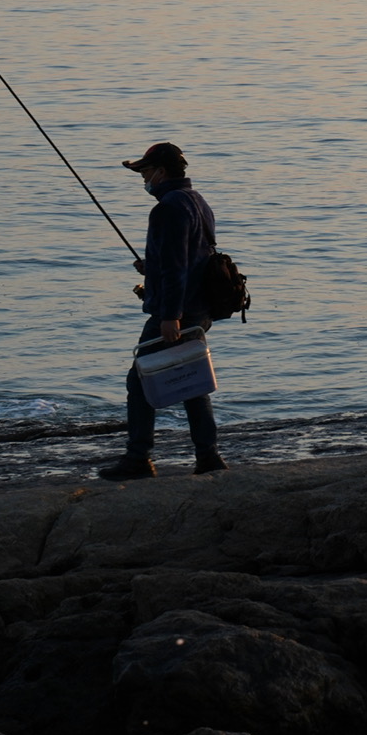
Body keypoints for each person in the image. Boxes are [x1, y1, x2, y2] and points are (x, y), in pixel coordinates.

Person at [99, 141, 226, 480]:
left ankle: (138, 459)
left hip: (177, 312)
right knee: (193, 381)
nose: (143, 178)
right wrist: (152, 268)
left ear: (162, 172)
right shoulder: (196, 200)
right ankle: (208, 457)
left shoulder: (167, 208)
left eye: (145, 171)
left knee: (140, 380)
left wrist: (170, 316)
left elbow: (177, 267)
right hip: (199, 307)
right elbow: (193, 256)